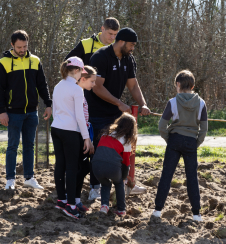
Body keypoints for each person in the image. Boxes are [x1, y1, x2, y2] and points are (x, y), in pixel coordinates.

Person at [87, 27, 151, 200]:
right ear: (121, 41)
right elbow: (97, 87)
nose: (133, 49)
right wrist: (119, 103)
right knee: (99, 149)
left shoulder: (129, 59)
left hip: (115, 113)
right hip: (97, 112)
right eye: (131, 45)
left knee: (121, 147)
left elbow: (133, 85)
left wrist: (142, 104)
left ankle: (124, 183)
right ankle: (95, 187)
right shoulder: (100, 56)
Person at [65, 18, 120, 200]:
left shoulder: (115, 50)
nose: (112, 37)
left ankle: (104, 183)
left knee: (103, 145)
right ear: (101, 29)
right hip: (86, 101)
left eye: (115, 35)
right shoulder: (86, 44)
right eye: (109, 33)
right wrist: (78, 83)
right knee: (87, 146)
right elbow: (67, 64)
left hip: (107, 102)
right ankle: (92, 186)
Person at [0, 30, 52, 190]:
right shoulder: (3, 63)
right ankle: (10, 180)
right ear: (12, 45)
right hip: (12, 112)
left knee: (29, 146)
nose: (22, 50)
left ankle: (29, 178)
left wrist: (48, 103)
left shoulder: (35, 61)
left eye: (25, 46)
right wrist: (1, 111)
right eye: (19, 47)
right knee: (12, 146)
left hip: (32, 112)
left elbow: (42, 84)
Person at [152, 70, 208, 222]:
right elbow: (203, 129)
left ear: (178, 84)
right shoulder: (201, 103)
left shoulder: (173, 102)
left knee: (166, 176)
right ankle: (196, 214)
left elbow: (162, 125)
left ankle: (157, 211)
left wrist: (168, 139)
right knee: (192, 178)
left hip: (175, 140)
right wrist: (196, 143)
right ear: (193, 86)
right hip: (191, 141)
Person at [51, 57, 94, 219]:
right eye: (80, 72)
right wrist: (86, 138)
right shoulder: (76, 89)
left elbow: (55, 111)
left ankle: (61, 199)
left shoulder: (57, 86)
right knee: (71, 167)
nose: (80, 76)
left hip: (56, 128)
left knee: (60, 165)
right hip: (70, 131)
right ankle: (70, 205)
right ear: (76, 71)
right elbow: (80, 118)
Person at [92, 113, 137, 216]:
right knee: (119, 183)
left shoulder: (106, 133)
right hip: (112, 167)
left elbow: (101, 152)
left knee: (105, 184)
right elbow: (126, 162)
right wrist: (124, 177)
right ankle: (121, 210)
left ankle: (104, 206)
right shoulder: (126, 140)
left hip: (96, 165)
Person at [74, 65, 97, 212]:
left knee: (83, 168)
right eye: (92, 81)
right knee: (81, 168)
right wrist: (86, 138)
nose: (94, 84)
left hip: (84, 133)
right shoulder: (77, 93)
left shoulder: (81, 92)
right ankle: (73, 200)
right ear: (83, 79)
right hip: (78, 136)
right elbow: (80, 118)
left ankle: (75, 199)